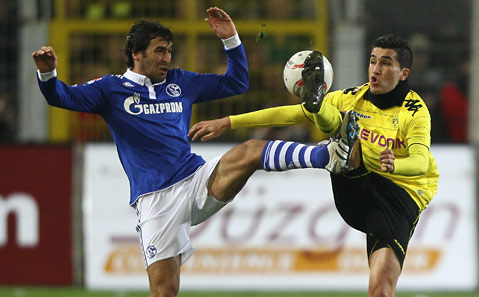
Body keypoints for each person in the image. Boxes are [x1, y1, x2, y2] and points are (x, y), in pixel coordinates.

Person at [33, 7, 350, 297]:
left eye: (169, 50)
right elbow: (62, 97)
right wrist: (48, 75)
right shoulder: (109, 90)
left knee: (251, 151)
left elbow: (236, 83)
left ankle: (327, 156)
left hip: (195, 179)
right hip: (155, 200)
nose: (167, 58)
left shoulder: (180, 82)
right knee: (164, 292)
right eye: (160, 51)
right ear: (136, 53)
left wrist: (231, 41)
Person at [189, 35, 439, 297]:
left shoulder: (415, 112)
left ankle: (328, 131)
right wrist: (228, 121)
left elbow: (420, 162)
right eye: (373, 61)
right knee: (342, 127)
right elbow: (289, 114)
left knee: (381, 291)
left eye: (386, 63)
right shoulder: (353, 97)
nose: (376, 69)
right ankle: (320, 112)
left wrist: (394, 165)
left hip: (398, 196)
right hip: (357, 184)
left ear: (403, 74)